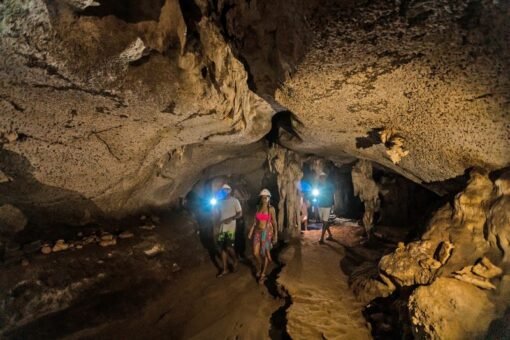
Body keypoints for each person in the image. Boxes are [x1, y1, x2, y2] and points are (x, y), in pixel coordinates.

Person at [248, 188, 277, 284]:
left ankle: (263, 274)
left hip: (265, 232)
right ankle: (261, 266)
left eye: (265, 197)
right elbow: (255, 221)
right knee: (255, 253)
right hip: (257, 231)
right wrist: (251, 231)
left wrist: (275, 234)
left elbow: (275, 222)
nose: (264, 199)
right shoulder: (258, 208)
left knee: (264, 253)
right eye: (262, 197)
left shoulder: (271, 209)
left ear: (269, 198)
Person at [215, 184, 242, 278]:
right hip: (222, 228)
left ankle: (235, 260)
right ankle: (225, 269)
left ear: (230, 191)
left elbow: (239, 213)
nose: (224, 192)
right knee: (222, 248)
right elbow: (218, 214)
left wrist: (231, 218)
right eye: (223, 190)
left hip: (231, 227)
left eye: (226, 190)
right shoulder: (219, 202)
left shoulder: (235, 201)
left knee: (229, 247)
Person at [317, 172, 335, 244]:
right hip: (320, 204)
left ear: (325, 177)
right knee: (323, 221)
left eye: (323, 177)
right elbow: (317, 195)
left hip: (327, 205)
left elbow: (332, 194)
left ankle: (322, 238)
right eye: (320, 177)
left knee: (324, 222)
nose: (322, 178)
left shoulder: (330, 185)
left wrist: (333, 204)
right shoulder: (319, 185)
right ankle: (330, 235)